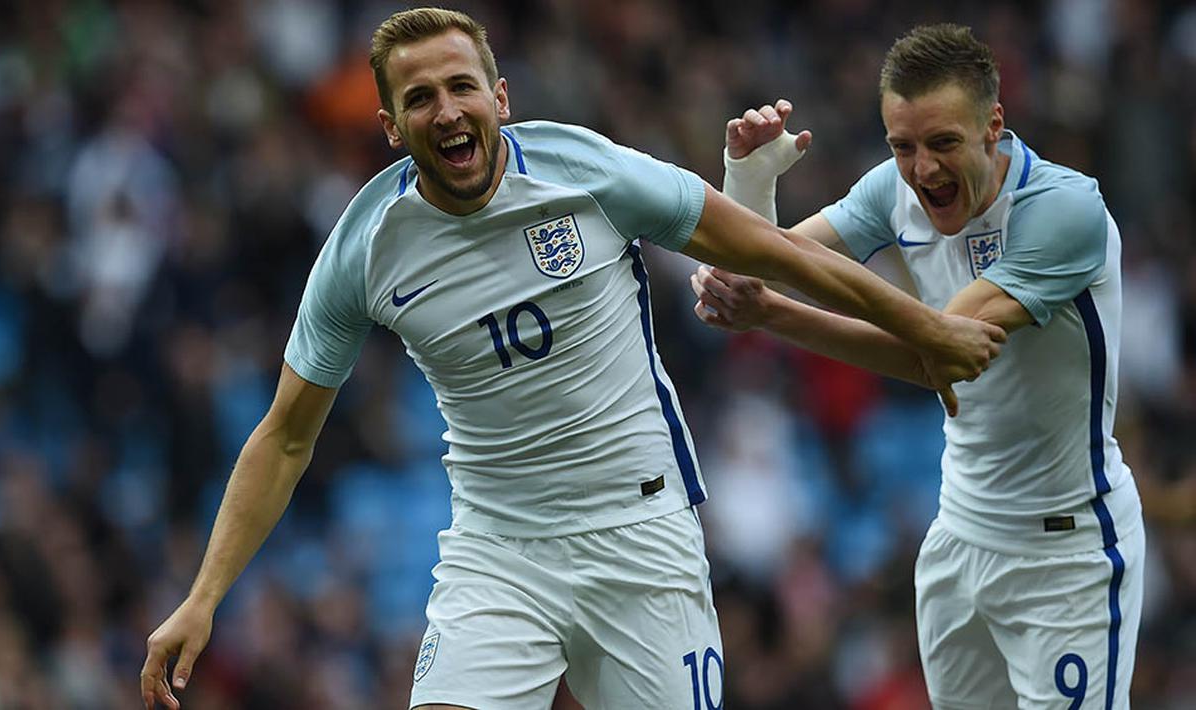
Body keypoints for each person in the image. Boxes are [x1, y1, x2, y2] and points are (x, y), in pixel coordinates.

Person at [139, 9, 1004, 710]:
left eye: (461, 86)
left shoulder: (586, 171)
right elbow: (286, 437)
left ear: (499, 96)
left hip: (640, 534)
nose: (446, 111)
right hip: (498, 547)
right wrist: (202, 598)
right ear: (391, 127)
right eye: (420, 98)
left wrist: (924, 330)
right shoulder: (365, 248)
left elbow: (779, 254)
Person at [693, 23, 1144, 709]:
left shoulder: (1063, 211)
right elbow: (758, 268)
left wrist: (774, 310)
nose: (923, 169)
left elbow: (937, 351)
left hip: (1066, 551)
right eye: (902, 146)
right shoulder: (891, 189)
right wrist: (746, 184)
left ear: (993, 127)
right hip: (958, 534)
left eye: (943, 143)